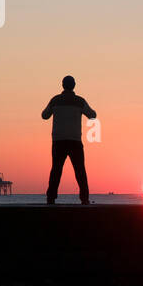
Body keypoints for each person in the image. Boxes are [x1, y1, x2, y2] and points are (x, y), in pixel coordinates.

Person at [42, 75, 96, 204]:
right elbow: (92, 115)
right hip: (75, 141)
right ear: (74, 85)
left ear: (62, 85)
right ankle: (84, 198)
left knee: (56, 169)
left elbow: (44, 115)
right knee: (80, 171)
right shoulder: (80, 101)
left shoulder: (55, 100)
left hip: (58, 141)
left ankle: (51, 198)